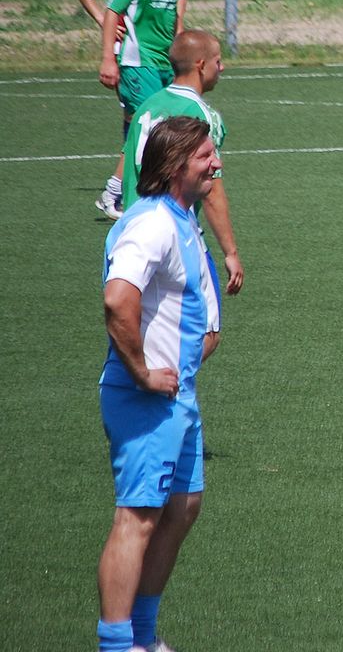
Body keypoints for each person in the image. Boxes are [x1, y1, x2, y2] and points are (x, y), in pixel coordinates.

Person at [96, 115, 222, 652]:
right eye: (205, 156)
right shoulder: (150, 223)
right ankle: (117, 644)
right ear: (174, 166)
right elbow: (117, 298)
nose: (216, 163)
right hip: (146, 397)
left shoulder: (181, 218)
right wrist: (143, 372)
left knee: (182, 508)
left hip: (178, 396)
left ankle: (143, 636)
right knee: (138, 516)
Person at [124, 31, 243, 313]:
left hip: (131, 230)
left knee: (140, 322)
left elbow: (127, 165)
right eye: (217, 61)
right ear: (201, 65)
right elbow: (211, 190)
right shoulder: (201, 114)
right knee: (204, 328)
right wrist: (231, 252)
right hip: (175, 235)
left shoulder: (146, 107)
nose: (222, 67)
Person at [95, 0, 186, 222]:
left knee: (159, 128)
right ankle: (114, 193)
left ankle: (150, 192)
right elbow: (112, 11)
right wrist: (108, 58)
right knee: (149, 128)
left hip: (164, 63)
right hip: (138, 62)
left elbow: (174, 20)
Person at [77, 0, 156, 219]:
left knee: (137, 118)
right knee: (144, 120)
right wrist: (103, 22)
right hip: (130, 54)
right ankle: (117, 190)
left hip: (152, 54)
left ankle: (131, 184)